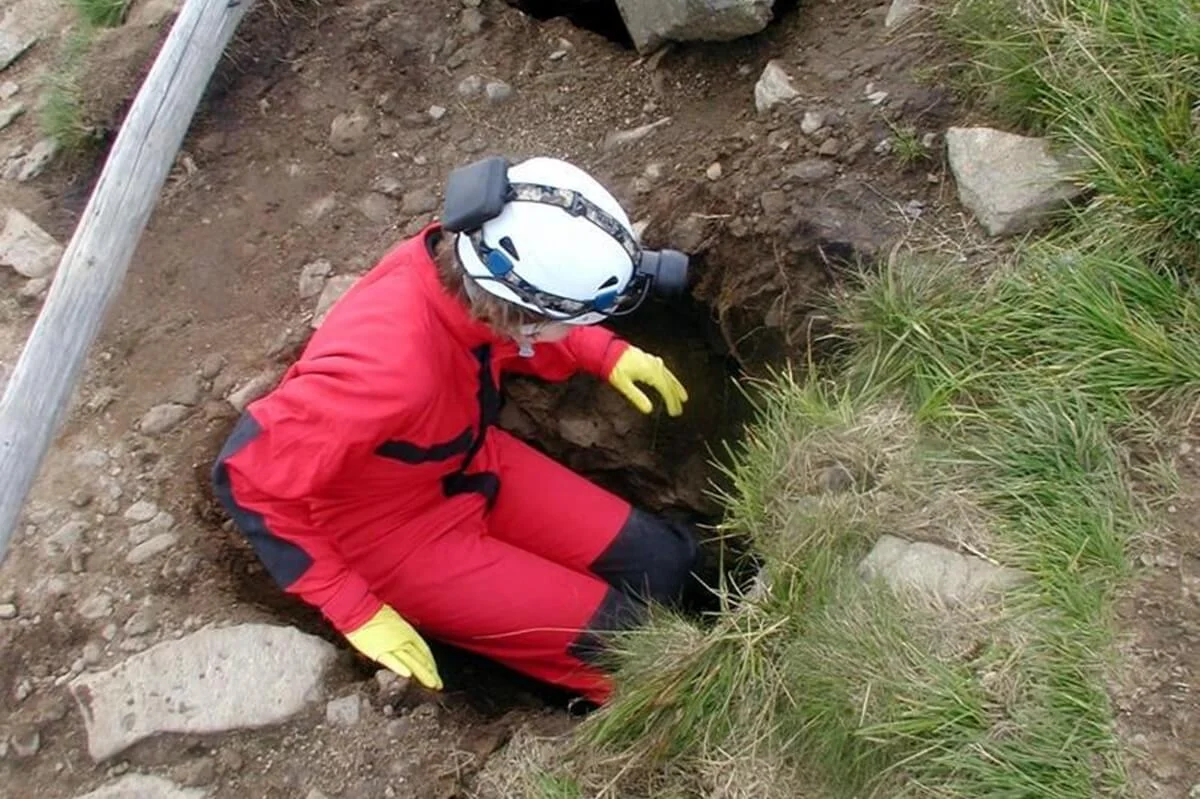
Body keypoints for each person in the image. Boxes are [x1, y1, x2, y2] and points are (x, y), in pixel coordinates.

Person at [212, 156, 699, 704]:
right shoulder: (385, 372)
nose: (578, 329)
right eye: (576, 319)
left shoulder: (462, 269)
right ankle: (670, 710)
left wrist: (601, 351)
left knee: (665, 561)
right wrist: (355, 609)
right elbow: (246, 476)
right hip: (388, 534)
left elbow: (505, 331)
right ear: (517, 311)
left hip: (463, 461)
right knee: (627, 644)